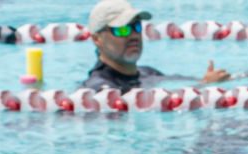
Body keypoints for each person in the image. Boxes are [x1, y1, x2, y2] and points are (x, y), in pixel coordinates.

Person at [80, 1, 229, 92]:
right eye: (122, 29)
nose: (133, 35)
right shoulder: (98, 88)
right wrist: (203, 86)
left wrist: (205, 81)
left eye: (136, 26)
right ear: (97, 39)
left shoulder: (147, 72)